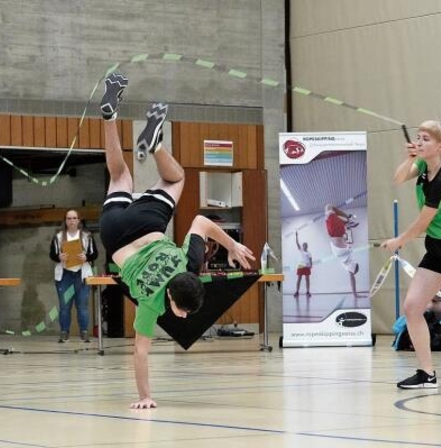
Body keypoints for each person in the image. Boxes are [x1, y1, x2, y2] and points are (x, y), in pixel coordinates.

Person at [98, 73, 255, 409]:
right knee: (119, 175)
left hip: (147, 223)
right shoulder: (151, 304)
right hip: (114, 235)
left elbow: (200, 220)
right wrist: (145, 397)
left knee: (176, 177)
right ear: (170, 294)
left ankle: (156, 146)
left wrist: (231, 246)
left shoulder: (190, 265)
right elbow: (140, 352)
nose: (182, 317)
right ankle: (109, 118)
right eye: (182, 311)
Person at [381, 119, 441, 389]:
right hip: (437, 248)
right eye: (418, 137)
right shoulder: (422, 167)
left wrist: (399, 240)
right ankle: (427, 373)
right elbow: (398, 178)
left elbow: (425, 220)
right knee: (413, 307)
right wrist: (409, 158)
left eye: (426, 139)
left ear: (440, 145)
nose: (420, 142)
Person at [49, 209, 98, 343]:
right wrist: (59, 257)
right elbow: (52, 254)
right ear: (65, 221)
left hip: (81, 274)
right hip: (64, 275)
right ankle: (64, 332)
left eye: (74, 218)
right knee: (64, 306)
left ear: (78, 220)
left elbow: (95, 254)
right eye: (69, 218)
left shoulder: (87, 236)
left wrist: (86, 257)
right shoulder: (58, 237)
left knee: (82, 306)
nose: (71, 221)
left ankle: (84, 332)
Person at [325, 203, 359, 297]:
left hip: (335, 235)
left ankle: (348, 219)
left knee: (329, 207)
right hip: (336, 235)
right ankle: (348, 221)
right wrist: (355, 294)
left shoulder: (348, 263)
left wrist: (355, 294)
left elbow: (352, 278)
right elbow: (352, 278)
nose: (352, 271)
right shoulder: (349, 263)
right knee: (329, 208)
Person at [294, 231, 312, 297]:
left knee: (307, 279)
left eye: (306, 245)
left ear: (307, 246)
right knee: (299, 279)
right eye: (304, 245)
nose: (305, 246)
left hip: (307, 267)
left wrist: (311, 265)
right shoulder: (301, 250)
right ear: (303, 246)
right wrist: (296, 236)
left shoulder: (309, 253)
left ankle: (308, 292)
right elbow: (297, 243)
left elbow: (310, 260)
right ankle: (297, 292)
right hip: (300, 266)